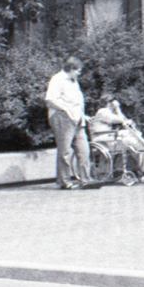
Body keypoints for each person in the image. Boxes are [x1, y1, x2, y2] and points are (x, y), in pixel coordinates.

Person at [45, 57, 95, 189]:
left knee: (84, 149)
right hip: (63, 117)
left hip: (78, 119)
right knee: (65, 150)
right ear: (71, 69)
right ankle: (64, 181)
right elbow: (50, 99)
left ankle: (86, 179)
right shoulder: (58, 79)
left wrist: (82, 115)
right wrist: (66, 110)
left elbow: (75, 101)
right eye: (78, 70)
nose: (79, 73)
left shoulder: (74, 82)